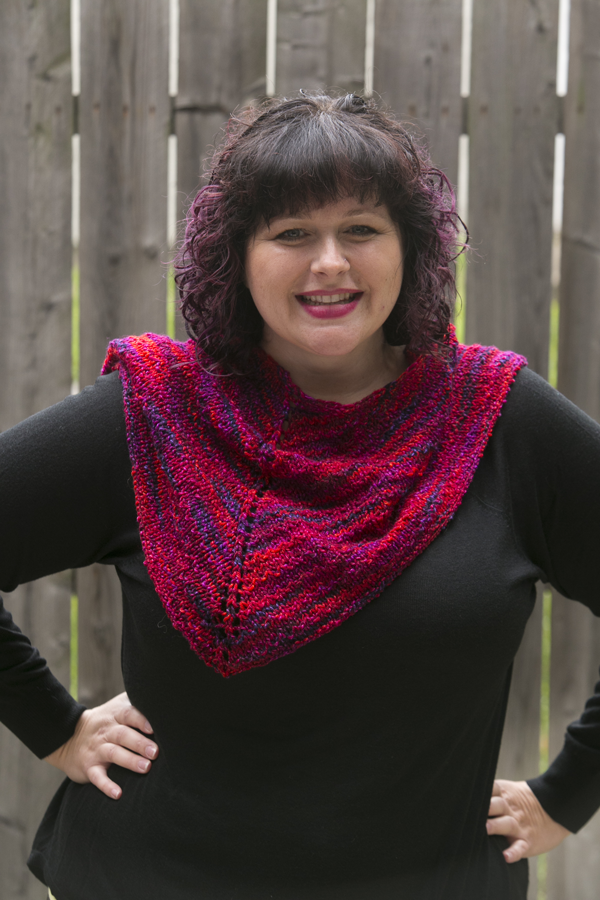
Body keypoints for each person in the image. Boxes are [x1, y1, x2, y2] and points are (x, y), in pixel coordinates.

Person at [1, 92, 599, 900]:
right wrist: (54, 725)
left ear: (411, 248)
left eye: (362, 229)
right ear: (236, 257)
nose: (330, 263)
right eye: (291, 234)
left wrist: (568, 795)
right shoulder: (155, 416)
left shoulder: (498, 420)